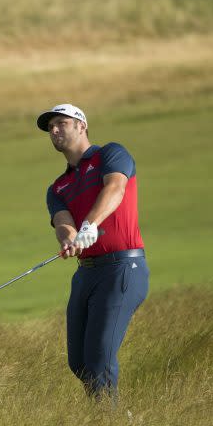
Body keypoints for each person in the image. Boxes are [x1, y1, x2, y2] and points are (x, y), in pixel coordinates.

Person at [37, 103, 149, 400]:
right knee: (80, 364)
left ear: (81, 125)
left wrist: (90, 225)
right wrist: (69, 239)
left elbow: (115, 189)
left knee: (99, 361)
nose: (54, 130)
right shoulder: (58, 187)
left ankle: (110, 425)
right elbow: (64, 224)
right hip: (86, 275)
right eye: (50, 128)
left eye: (61, 123)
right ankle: (114, 419)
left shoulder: (110, 155)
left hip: (123, 269)